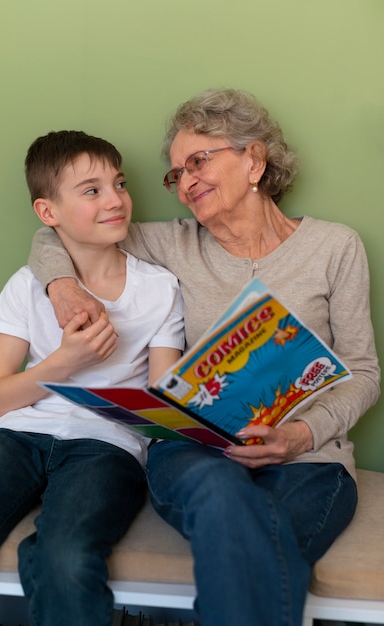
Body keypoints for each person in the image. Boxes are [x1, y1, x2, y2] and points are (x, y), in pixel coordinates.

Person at [28, 90, 380, 626]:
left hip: (308, 462)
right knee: (224, 501)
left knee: (260, 540)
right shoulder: (172, 244)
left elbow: (364, 372)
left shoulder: (335, 247)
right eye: (176, 174)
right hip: (196, 453)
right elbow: (55, 232)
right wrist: (61, 285)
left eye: (199, 161)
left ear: (255, 161)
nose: (185, 182)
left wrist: (301, 436)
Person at [0, 130, 184, 626]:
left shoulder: (159, 289)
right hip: (19, 437)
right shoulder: (27, 286)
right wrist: (63, 366)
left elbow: (162, 405)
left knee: (63, 557)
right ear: (49, 213)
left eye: (120, 184)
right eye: (92, 190)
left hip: (107, 446)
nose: (116, 200)